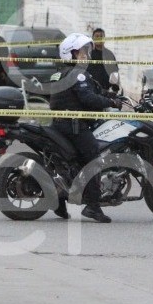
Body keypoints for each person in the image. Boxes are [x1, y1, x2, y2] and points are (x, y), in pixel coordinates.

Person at [49, 33, 120, 223]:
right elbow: (88, 98)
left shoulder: (61, 72)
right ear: (69, 54)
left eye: (85, 52)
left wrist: (112, 96)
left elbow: (93, 90)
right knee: (95, 158)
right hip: (74, 126)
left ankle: (59, 201)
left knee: (72, 163)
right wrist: (111, 102)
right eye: (81, 52)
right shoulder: (77, 74)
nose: (85, 56)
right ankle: (93, 207)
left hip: (59, 124)